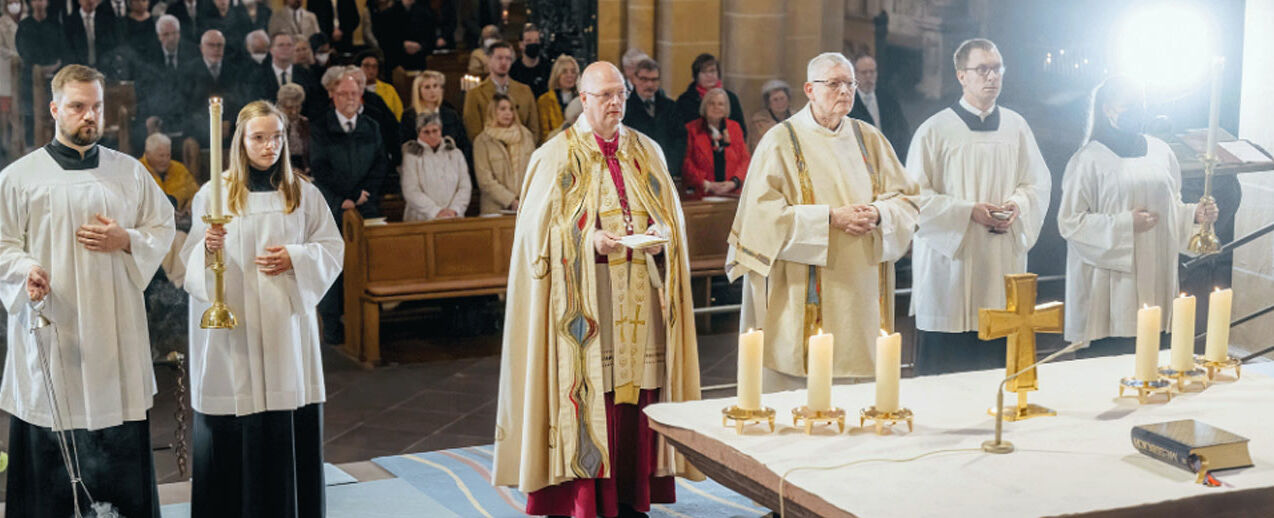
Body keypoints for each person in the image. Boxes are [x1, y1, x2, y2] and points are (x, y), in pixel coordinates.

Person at [494, 60, 702, 518]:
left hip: (642, 295)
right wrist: (587, 240)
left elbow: (670, 213)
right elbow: (534, 236)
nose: (614, 103)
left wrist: (662, 234)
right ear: (582, 100)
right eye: (604, 95)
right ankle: (586, 500)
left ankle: (632, 494)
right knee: (592, 392)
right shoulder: (554, 156)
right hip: (586, 300)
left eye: (620, 94)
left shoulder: (647, 151)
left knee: (640, 391)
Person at [0, 64, 175, 518]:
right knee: (52, 428)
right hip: (54, 329)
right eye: (78, 107)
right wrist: (25, 269)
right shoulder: (21, 177)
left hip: (114, 334)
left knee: (115, 434)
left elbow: (161, 225)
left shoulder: (129, 173)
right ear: (56, 108)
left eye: (96, 106)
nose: (89, 116)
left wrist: (128, 241)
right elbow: (1, 244)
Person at [180, 99, 341, 518]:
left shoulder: (302, 193)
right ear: (241, 141)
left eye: (276, 137)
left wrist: (296, 258)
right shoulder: (215, 193)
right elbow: (190, 266)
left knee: (284, 428)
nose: (269, 146)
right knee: (237, 420)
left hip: (285, 331)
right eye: (258, 138)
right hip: (237, 335)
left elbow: (331, 248)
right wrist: (208, 249)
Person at [728, 52, 918, 390]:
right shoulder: (780, 141)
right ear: (809, 89)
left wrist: (878, 213)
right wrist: (830, 218)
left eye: (850, 84)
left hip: (862, 296)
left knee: (858, 393)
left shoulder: (869, 138)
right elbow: (760, 217)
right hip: (803, 294)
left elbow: (907, 199)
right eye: (834, 84)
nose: (844, 91)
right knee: (805, 393)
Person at [904, 38, 1050, 376]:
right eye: (982, 69)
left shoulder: (1017, 127)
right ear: (961, 76)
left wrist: (1016, 206)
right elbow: (912, 198)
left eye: (997, 68)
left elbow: (1038, 184)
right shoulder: (934, 131)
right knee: (946, 374)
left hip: (1000, 265)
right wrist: (967, 211)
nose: (992, 76)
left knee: (995, 371)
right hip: (950, 271)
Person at [1059, 76, 1218, 357]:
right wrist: (1123, 224)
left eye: (1141, 104)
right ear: (1108, 109)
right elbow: (1070, 222)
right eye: (1129, 105)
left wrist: (1194, 215)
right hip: (1110, 286)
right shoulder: (1088, 159)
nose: (1138, 112)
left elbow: (1172, 206)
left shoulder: (1161, 151)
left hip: (1157, 275)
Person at [309, 66, 385, 344]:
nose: (351, 98)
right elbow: (321, 167)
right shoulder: (320, 127)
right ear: (333, 95)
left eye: (355, 92)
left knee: (367, 264)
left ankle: (366, 322)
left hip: (366, 205)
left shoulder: (371, 126)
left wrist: (365, 193)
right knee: (333, 267)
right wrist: (346, 197)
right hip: (334, 206)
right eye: (344, 93)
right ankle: (333, 325)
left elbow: (380, 163)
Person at [463, 40, 539, 143]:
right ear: (489, 60)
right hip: (490, 152)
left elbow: (534, 129)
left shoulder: (525, 91)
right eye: (499, 58)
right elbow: (474, 132)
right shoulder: (475, 94)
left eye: (508, 58)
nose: (504, 62)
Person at [401, 112, 470, 221]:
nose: (431, 135)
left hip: (453, 218)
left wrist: (454, 209)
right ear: (419, 132)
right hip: (421, 220)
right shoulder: (411, 156)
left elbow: (464, 186)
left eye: (435, 131)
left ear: (441, 130)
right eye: (426, 132)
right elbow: (411, 190)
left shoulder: (455, 153)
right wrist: (435, 211)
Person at [622, 58, 683, 178]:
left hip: (667, 171)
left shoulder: (670, 107)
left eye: (654, 80)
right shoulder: (625, 109)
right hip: (636, 174)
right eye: (644, 79)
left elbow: (679, 140)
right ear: (634, 79)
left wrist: (669, 168)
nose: (649, 85)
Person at [682, 88, 749, 197]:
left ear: (726, 108)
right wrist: (706, 184)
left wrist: (734, 182)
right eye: (711, 103)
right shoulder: (691, 129)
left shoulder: (734, 127)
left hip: (731, 192)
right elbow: (686, 162)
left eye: (720, 104)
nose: (716, 107)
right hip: (702, 192)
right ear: (704, 106)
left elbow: (744, 159)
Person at [472, 93, 532, 215]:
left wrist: (524, 199)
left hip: (525, 205)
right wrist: (510, 200)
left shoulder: (525, 135)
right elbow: (485, 180)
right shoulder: (482, 141)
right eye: (502, 109)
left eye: (511, 109)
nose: (508, 113)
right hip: (495, 209)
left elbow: (534, 170)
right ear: (493, 111)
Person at [849, 54, 911, 159]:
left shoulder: (889, 100)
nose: (869, 76)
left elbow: (903, 133)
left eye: (872, 72)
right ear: (855, 75)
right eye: (864, 73)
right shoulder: (848, 104)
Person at [399, 70, 469, 161]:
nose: (432, 91)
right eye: (427, 87)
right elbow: (405, 147)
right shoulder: (409, 116)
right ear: (418, 91)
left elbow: (463, 144)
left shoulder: (450, 114)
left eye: (435, 86)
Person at [674, 53, 745, 139]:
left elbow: (742, 131)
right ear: (696, 76)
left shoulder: (730, 98)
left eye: (712, 71)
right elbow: (679, 132)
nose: (709, 75)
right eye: (704, 72)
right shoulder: (684, 101)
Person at [141, 132, 200, 213]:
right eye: (161, 156)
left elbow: (196, 194)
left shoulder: (180, 169)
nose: (165, 160)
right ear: (148, 154)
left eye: (168, 155)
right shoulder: (137, 172)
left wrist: (189, 208)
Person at [535, 53, 578, 144]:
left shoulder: (583, 100)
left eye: (573, 71)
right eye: (564, 72)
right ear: (557, 75)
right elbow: (544, 136)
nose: (570, 75)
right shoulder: (544, 100)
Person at [357, 49, 403, 120]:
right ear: (358, 67)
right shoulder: (352, 89)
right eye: (367, 66)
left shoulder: (389, 89)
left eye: (374, 66)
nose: (371, 70)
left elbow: (399, 115)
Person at [748, 79, 791, 151]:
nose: (780, 102)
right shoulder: (759, 123)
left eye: (782, 98)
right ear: (768, 103)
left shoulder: (797, 117)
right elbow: (758, 149)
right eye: (775, 100)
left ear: (788, 99)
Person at [509, 22, 550, 97]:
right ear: (521, 45)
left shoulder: (548, 68)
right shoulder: (513, 71)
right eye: (529, 41)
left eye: (536, 41)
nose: (533, 44)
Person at [278, 82, 310, 172]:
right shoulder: (274, 124)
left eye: (297, 107)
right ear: (280, 105)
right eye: (289, 107)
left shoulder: (305, 123)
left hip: (304, 169)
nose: (294, 112)